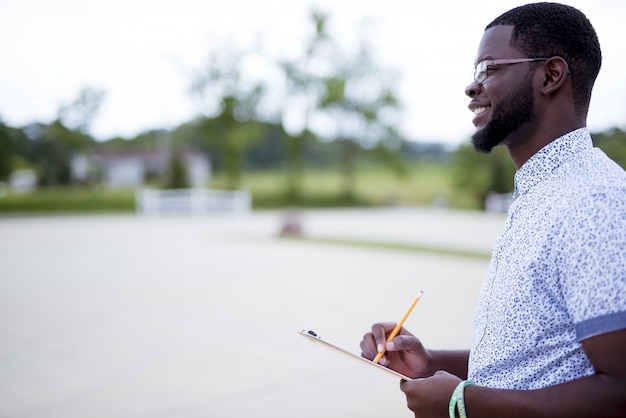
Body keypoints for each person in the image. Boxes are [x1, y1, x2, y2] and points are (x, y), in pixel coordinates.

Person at [360, 3, 626, 417]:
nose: (472, 87)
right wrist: (431, 363)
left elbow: (619, 391)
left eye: (488, 69)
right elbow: (535, 363)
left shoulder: (594, 202)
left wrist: (461, 403)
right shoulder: (541, 194)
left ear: (550, 76)